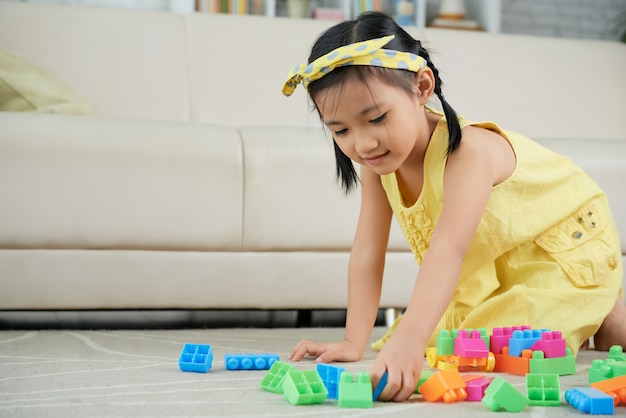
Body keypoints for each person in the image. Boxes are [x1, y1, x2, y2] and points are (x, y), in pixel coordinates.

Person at [282, 11, 626, 402]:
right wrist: (352, 340)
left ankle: (600, 301)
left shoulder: (468, 153)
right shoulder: (378, 167)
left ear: (422, 87)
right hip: (497, 261)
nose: (362, 144)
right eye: (341, 130)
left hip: (564, 247)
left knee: (500, 346)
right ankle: (590, 309)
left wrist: (411, 337)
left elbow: (448, 250)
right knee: (453, 343)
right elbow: (366, 252)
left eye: (376, 118)